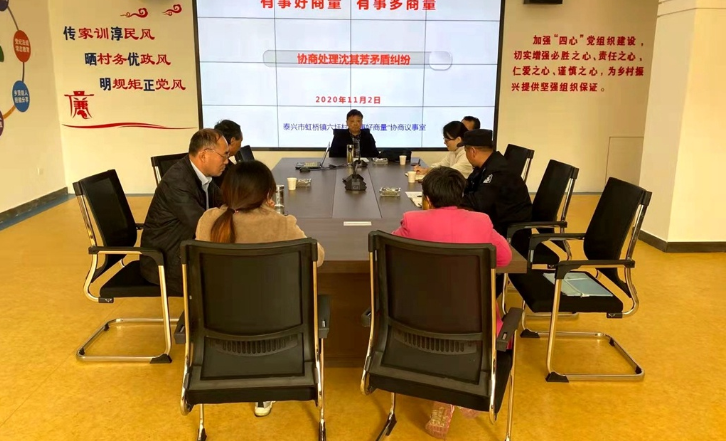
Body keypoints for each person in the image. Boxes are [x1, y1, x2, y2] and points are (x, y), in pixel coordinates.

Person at [195, 160, 325, 418]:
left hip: (218, 322)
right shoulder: (280, 224)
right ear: (267, 194)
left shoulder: (209, 221)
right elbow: (317, 257)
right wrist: (274, 215)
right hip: (278, 323)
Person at [391, 166, 511, 439]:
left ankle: (446, 399)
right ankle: (460, 393)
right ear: (461, 196)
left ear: (427, 199)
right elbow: (504, 259)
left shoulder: (412, 221)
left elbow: (391, 255)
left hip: (418, 320)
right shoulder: (481, 222)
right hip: (474, 322)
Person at [140, 129, 229, 297]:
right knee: (233, 274)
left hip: (185, 249)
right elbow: (203, 226)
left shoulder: (203, 176)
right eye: (224, 155)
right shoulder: (178, 182)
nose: (226, 161)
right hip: (166, 262)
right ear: (204, 155)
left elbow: (225, 201)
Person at [460, 129, 532, 237]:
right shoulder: (486, 165)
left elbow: (479, 202)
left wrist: (451, 198)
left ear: (473, 151)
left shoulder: (498, 171)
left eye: (465, 150)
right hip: (496, 222)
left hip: (509, 233)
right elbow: (469, 185)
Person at [212, 119, 244, 188]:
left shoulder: (230, 166)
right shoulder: (221, 169)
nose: (240, 146)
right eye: (240, 141)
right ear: (232, 141)